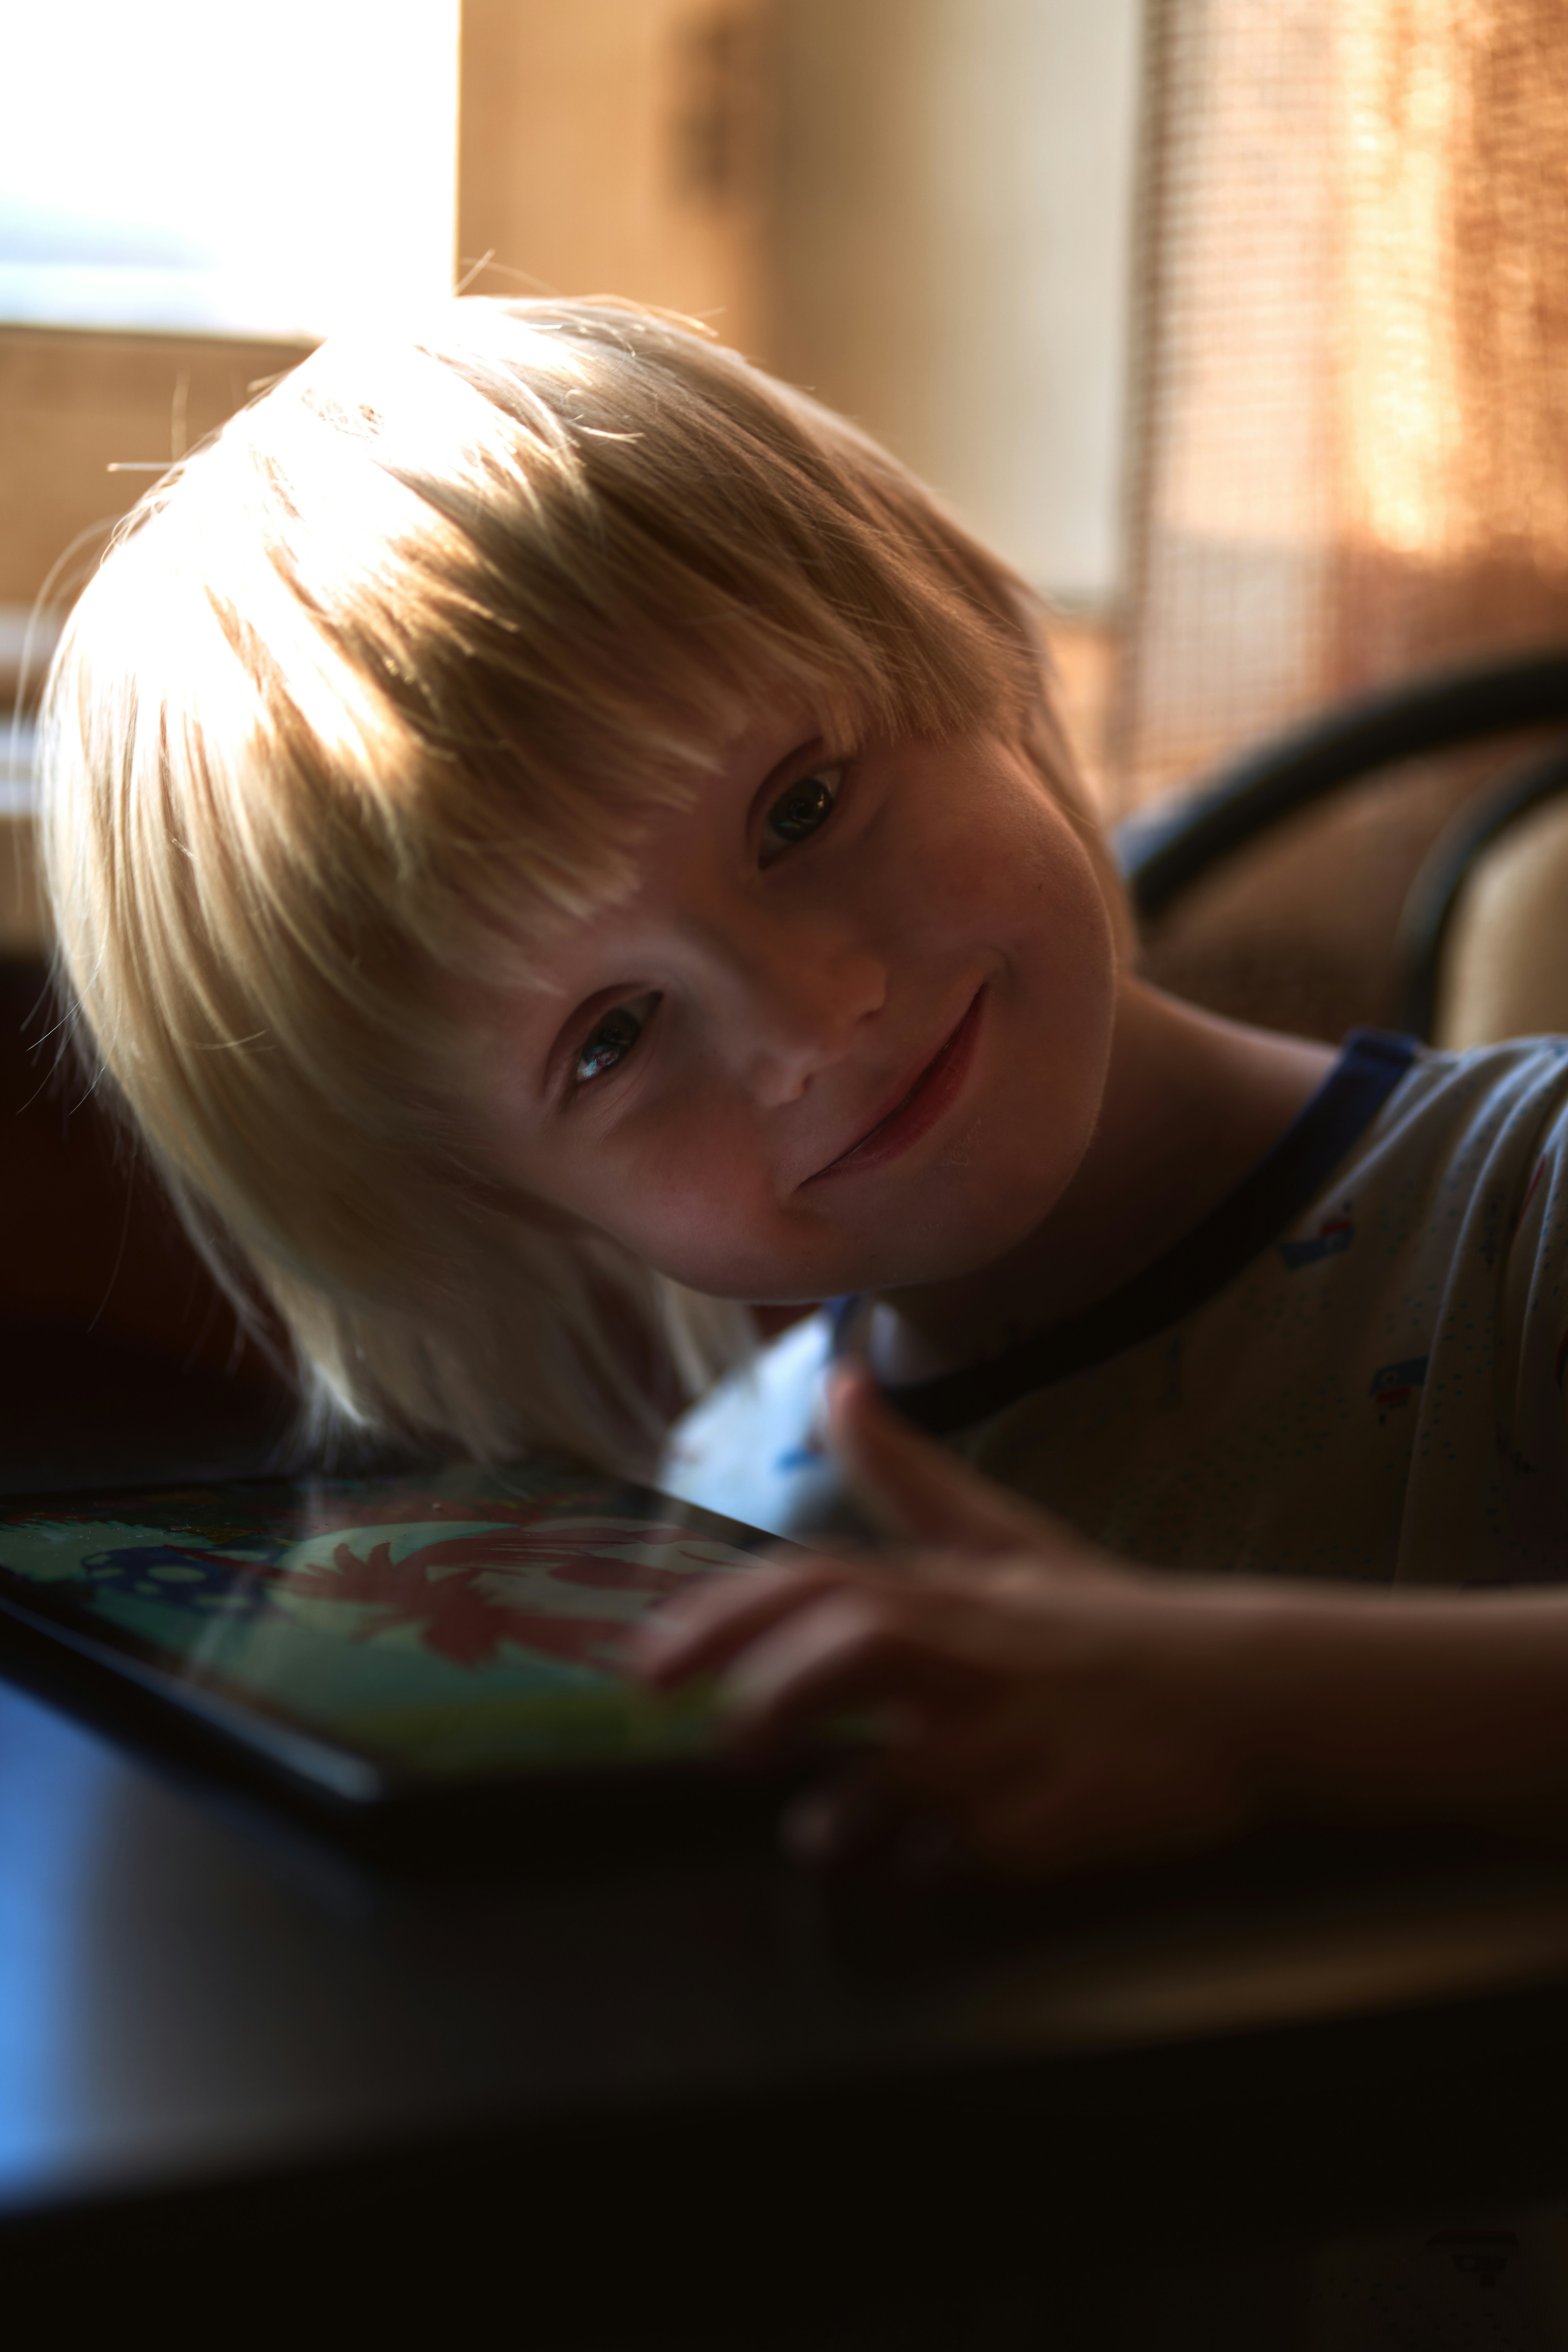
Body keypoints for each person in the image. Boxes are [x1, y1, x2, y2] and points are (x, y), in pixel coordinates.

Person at [39, 296, 1568, 1880]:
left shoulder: (1532, 1221)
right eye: (612, 1037)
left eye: (800, 808)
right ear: (501, 1189)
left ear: (954, 632)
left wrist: (1250, 1711)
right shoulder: (720, 1532)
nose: (810, 1018)